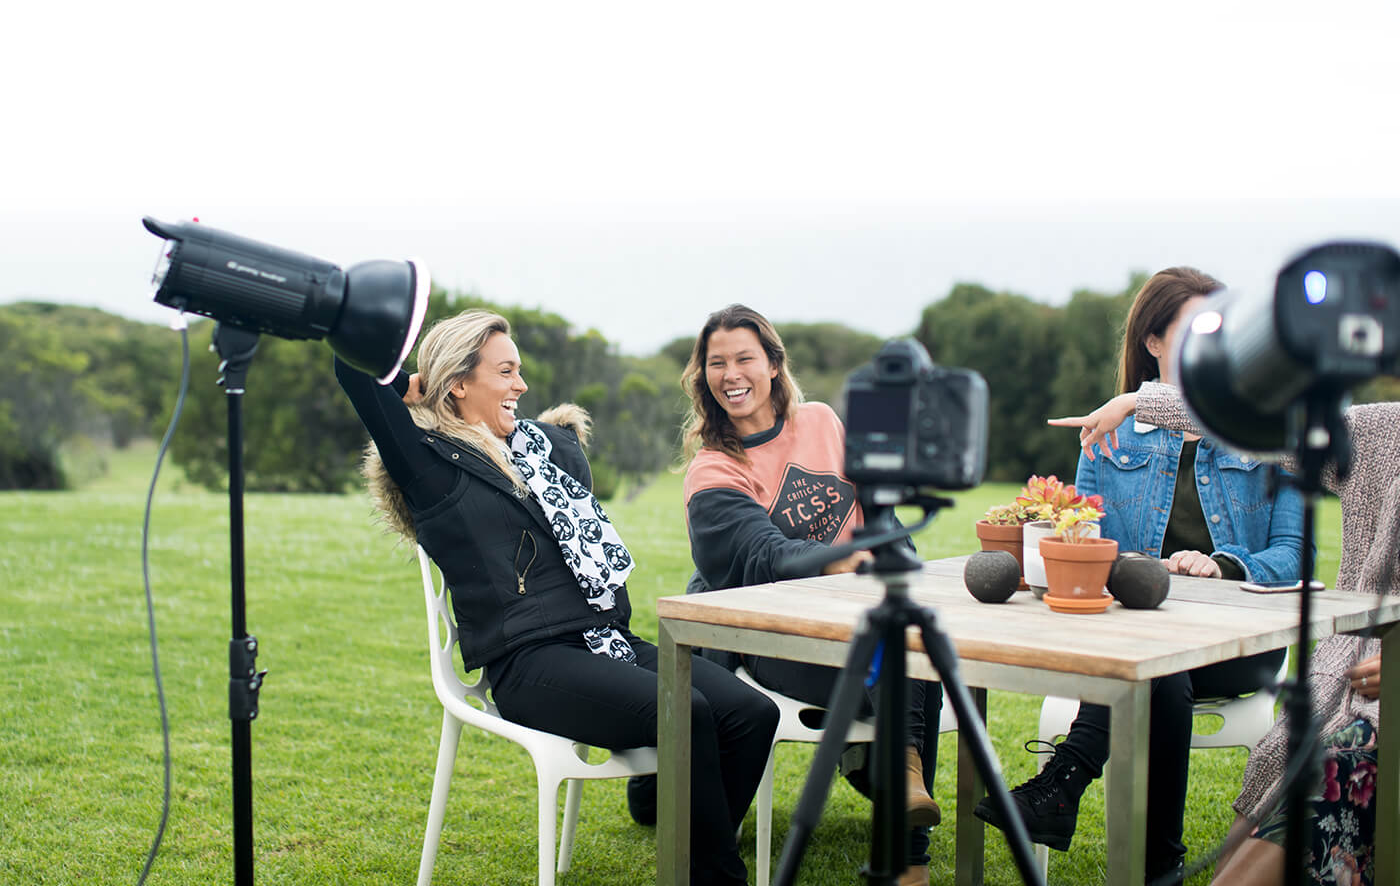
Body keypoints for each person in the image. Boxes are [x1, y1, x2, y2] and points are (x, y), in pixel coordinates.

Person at [335, 309, 779, 886]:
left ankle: (660, 807)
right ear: (460, 382)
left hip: (606, 641)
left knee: (752, 712)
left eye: (519, 371)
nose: (521, 385)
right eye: (506, 371)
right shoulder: (428, 465)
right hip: (530, 663)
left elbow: (570, 460)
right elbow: (352, 368)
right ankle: (715, 876)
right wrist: (409, 387)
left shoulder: (536, 452)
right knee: (685, 710)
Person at [975, 267, 1305, 881]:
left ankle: (1060, 784)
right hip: (1136, 634)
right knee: (1160, 672)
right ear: (1152, 343)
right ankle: (1159, 869)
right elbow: (1090, 538)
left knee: (1162, 669)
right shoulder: (1110, 428)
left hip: (1238, 639)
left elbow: (1295, 551)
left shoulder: (1263, 424)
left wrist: (1224, 563)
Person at [1067, 380, 1397, 886]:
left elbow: (1290, 554)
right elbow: (1260, 426)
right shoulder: (1383, 433)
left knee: (1342, 761)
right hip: (1349, 670)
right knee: (1278, 754)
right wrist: (1138, 402)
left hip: (1374, 708)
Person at [678, 303, 944, 886]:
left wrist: (895, 562)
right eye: (716, 363)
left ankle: (904, 813)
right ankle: (896, 799)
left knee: (913, 641)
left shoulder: (822, 422)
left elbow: (880, 517)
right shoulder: (714, 469)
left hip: (861, 620)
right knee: (904, 656)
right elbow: (762, 557)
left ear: (773, 364)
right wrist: (843, 560)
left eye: (744, 358)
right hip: (779, 635)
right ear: (704, 377)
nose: (731, 374)